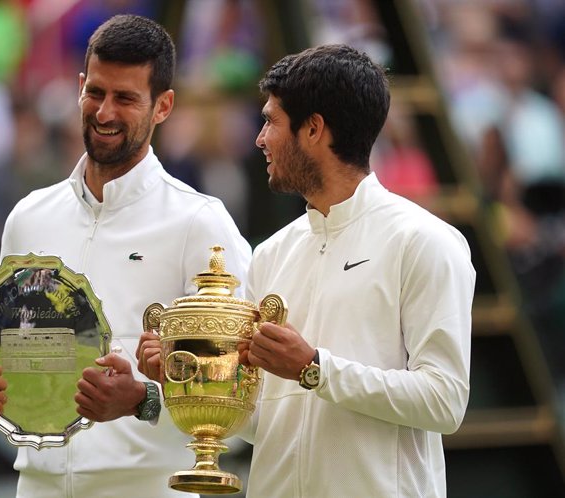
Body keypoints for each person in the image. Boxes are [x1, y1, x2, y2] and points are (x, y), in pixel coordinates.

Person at [138, 44, 476, 497]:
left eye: (271, 121)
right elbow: (269, 421)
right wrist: (187, 378)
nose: (260, 139)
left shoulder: (423, 241)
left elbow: (444, 401)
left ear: (313, 129)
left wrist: (314, 369)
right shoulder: (272, 254)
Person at [0, 14, 251, 498]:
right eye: (96, 93)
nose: (105, 112)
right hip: (37, 484)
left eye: (126, 98)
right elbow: (10, 366)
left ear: (163, 106)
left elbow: (243, 399)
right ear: (80, 86)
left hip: (154, 489)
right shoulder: (28, 216)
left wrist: (142, 401)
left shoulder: (201, 223)